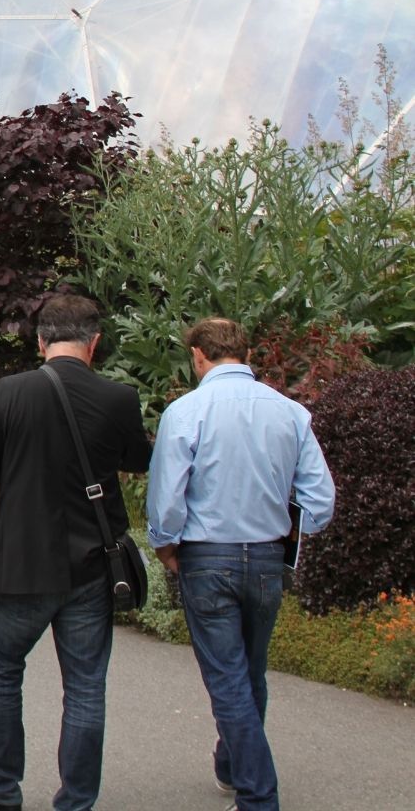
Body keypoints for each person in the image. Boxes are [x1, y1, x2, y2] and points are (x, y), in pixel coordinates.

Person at [0, 294, 151, 811]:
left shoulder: (7, 394)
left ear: (40, 341)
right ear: (94, 343)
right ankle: (76, 801)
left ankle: (2, 789)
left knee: (3, 673)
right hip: (92, 568)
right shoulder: (118, 398)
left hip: (19, 564)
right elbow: (139, 461)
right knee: (85, 686)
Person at [147, 318, 335, 811]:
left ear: (199, 356)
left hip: (208, 556)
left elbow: (167, 498)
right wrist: (295, 531)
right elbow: (321, 499)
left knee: (227, 678)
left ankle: (258, 795)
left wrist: (165, 546)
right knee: (250, 671)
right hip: (268, 556)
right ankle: (233, 767)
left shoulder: (186, 411)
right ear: (245, 353)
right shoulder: (291, 413)